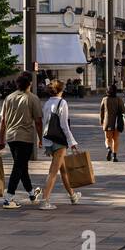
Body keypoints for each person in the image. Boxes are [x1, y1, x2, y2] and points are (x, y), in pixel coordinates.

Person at [0, 71, 44, 209]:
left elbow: (3, 121)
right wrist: (41, 139)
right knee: (18, 167)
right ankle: (9, 197)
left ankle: (31, 194)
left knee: (22, 167)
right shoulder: (32, 98)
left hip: (11, 137)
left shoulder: (9, 98)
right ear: (30, 83)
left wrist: (1, 139)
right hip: (25, 137)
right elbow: (38, 121)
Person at [37, 80, 81, 210]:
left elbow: (45, 123)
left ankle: (73, 195)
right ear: (61, 90)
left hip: (49, 140)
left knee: (63, 170)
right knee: (53, 171)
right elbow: (64, 125)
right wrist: (72, 142)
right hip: (60, 141)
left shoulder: (47, 103)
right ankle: (44, 200)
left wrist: (44, 142)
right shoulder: (62, 103)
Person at [99, 84, 124, 162]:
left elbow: (101, 111)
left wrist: (101, 121)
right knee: (115, 139)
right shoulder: (118, 99)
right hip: (117, 122)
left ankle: (108, 148)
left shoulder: (105, 99)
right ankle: (114, 156)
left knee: (107, 139)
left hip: (107, 122)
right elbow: (123, 110)